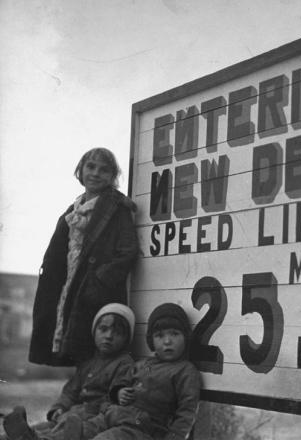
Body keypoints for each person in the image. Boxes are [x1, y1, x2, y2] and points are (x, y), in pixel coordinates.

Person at [29, 148, 139, 366]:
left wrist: (98, 281)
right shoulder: (74, 211)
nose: (96, 173)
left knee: (93, 351)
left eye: (104, 169)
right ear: (81, 170)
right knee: (71, 346)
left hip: (94, 291)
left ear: (112, 177)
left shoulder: (116, 209)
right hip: (68, 287)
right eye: (90, 166)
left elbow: (128, 251)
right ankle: (78, 395)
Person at [68, 302, 201, 440]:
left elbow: (187, 411)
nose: (167, 341)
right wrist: (119, 392)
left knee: (108, 438)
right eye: (159, 336)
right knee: (86, 428)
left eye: (174, 334)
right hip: (116, 415)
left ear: (186, 337)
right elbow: (122, 382)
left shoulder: (185, 370)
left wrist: (174, 437)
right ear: (151, 341)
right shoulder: (142, 364)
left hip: (142, 427)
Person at [2, 303, 136, 440]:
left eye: (118, 333)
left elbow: (117, 394)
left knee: (63, 432)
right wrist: (59, 408)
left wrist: (116, 395)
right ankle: (20, 434)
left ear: (127, 339)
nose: (109, 336)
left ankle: (34, 438)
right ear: (94, 331)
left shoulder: (124, 363)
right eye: (103, 329)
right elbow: (71, 391)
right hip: (72, 414)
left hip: (93, 419)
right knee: (47, 425)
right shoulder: (88, 362)